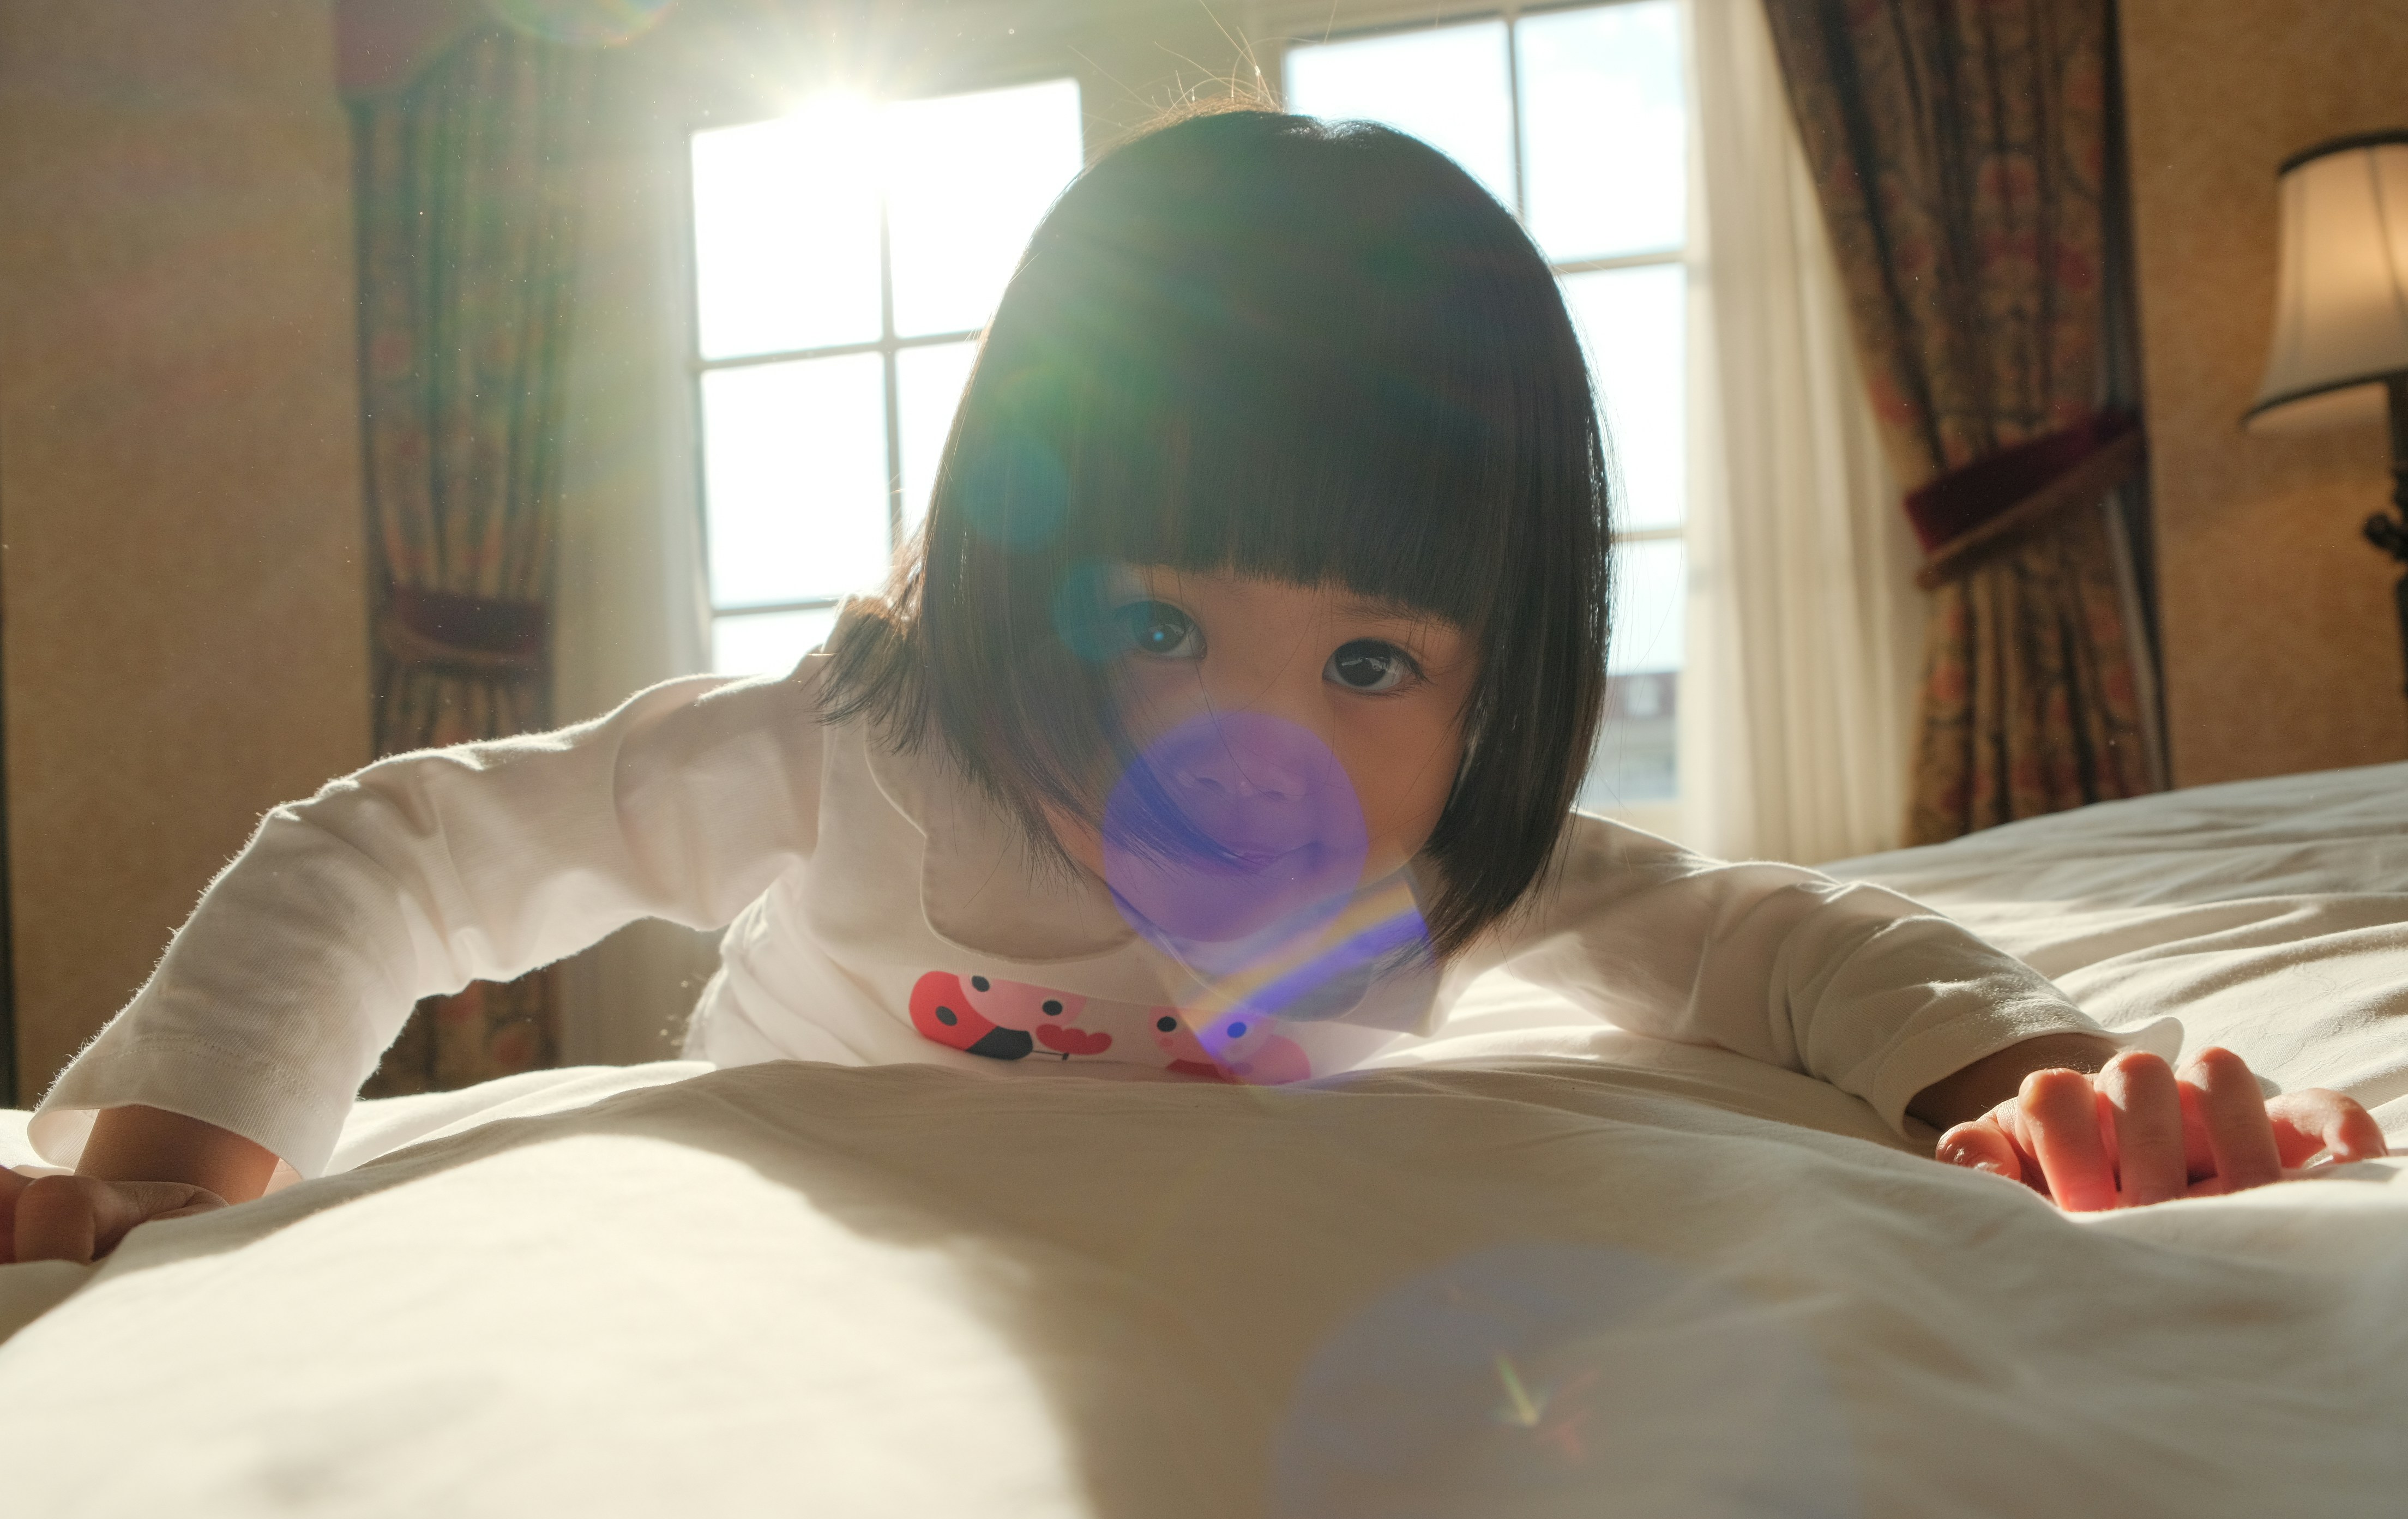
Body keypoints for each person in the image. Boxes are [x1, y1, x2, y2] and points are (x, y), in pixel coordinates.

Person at [0, 107, 2382, 1265]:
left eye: (1369, 656)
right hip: (785, 1210)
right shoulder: (875, 749)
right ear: (1014, 575)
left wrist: (2039, 1065)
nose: (1251, 741)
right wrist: (168, 1177)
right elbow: (407, 845)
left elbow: (1773, 936)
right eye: (1155, 622)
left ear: (1496, 683)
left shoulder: (1441, 855)